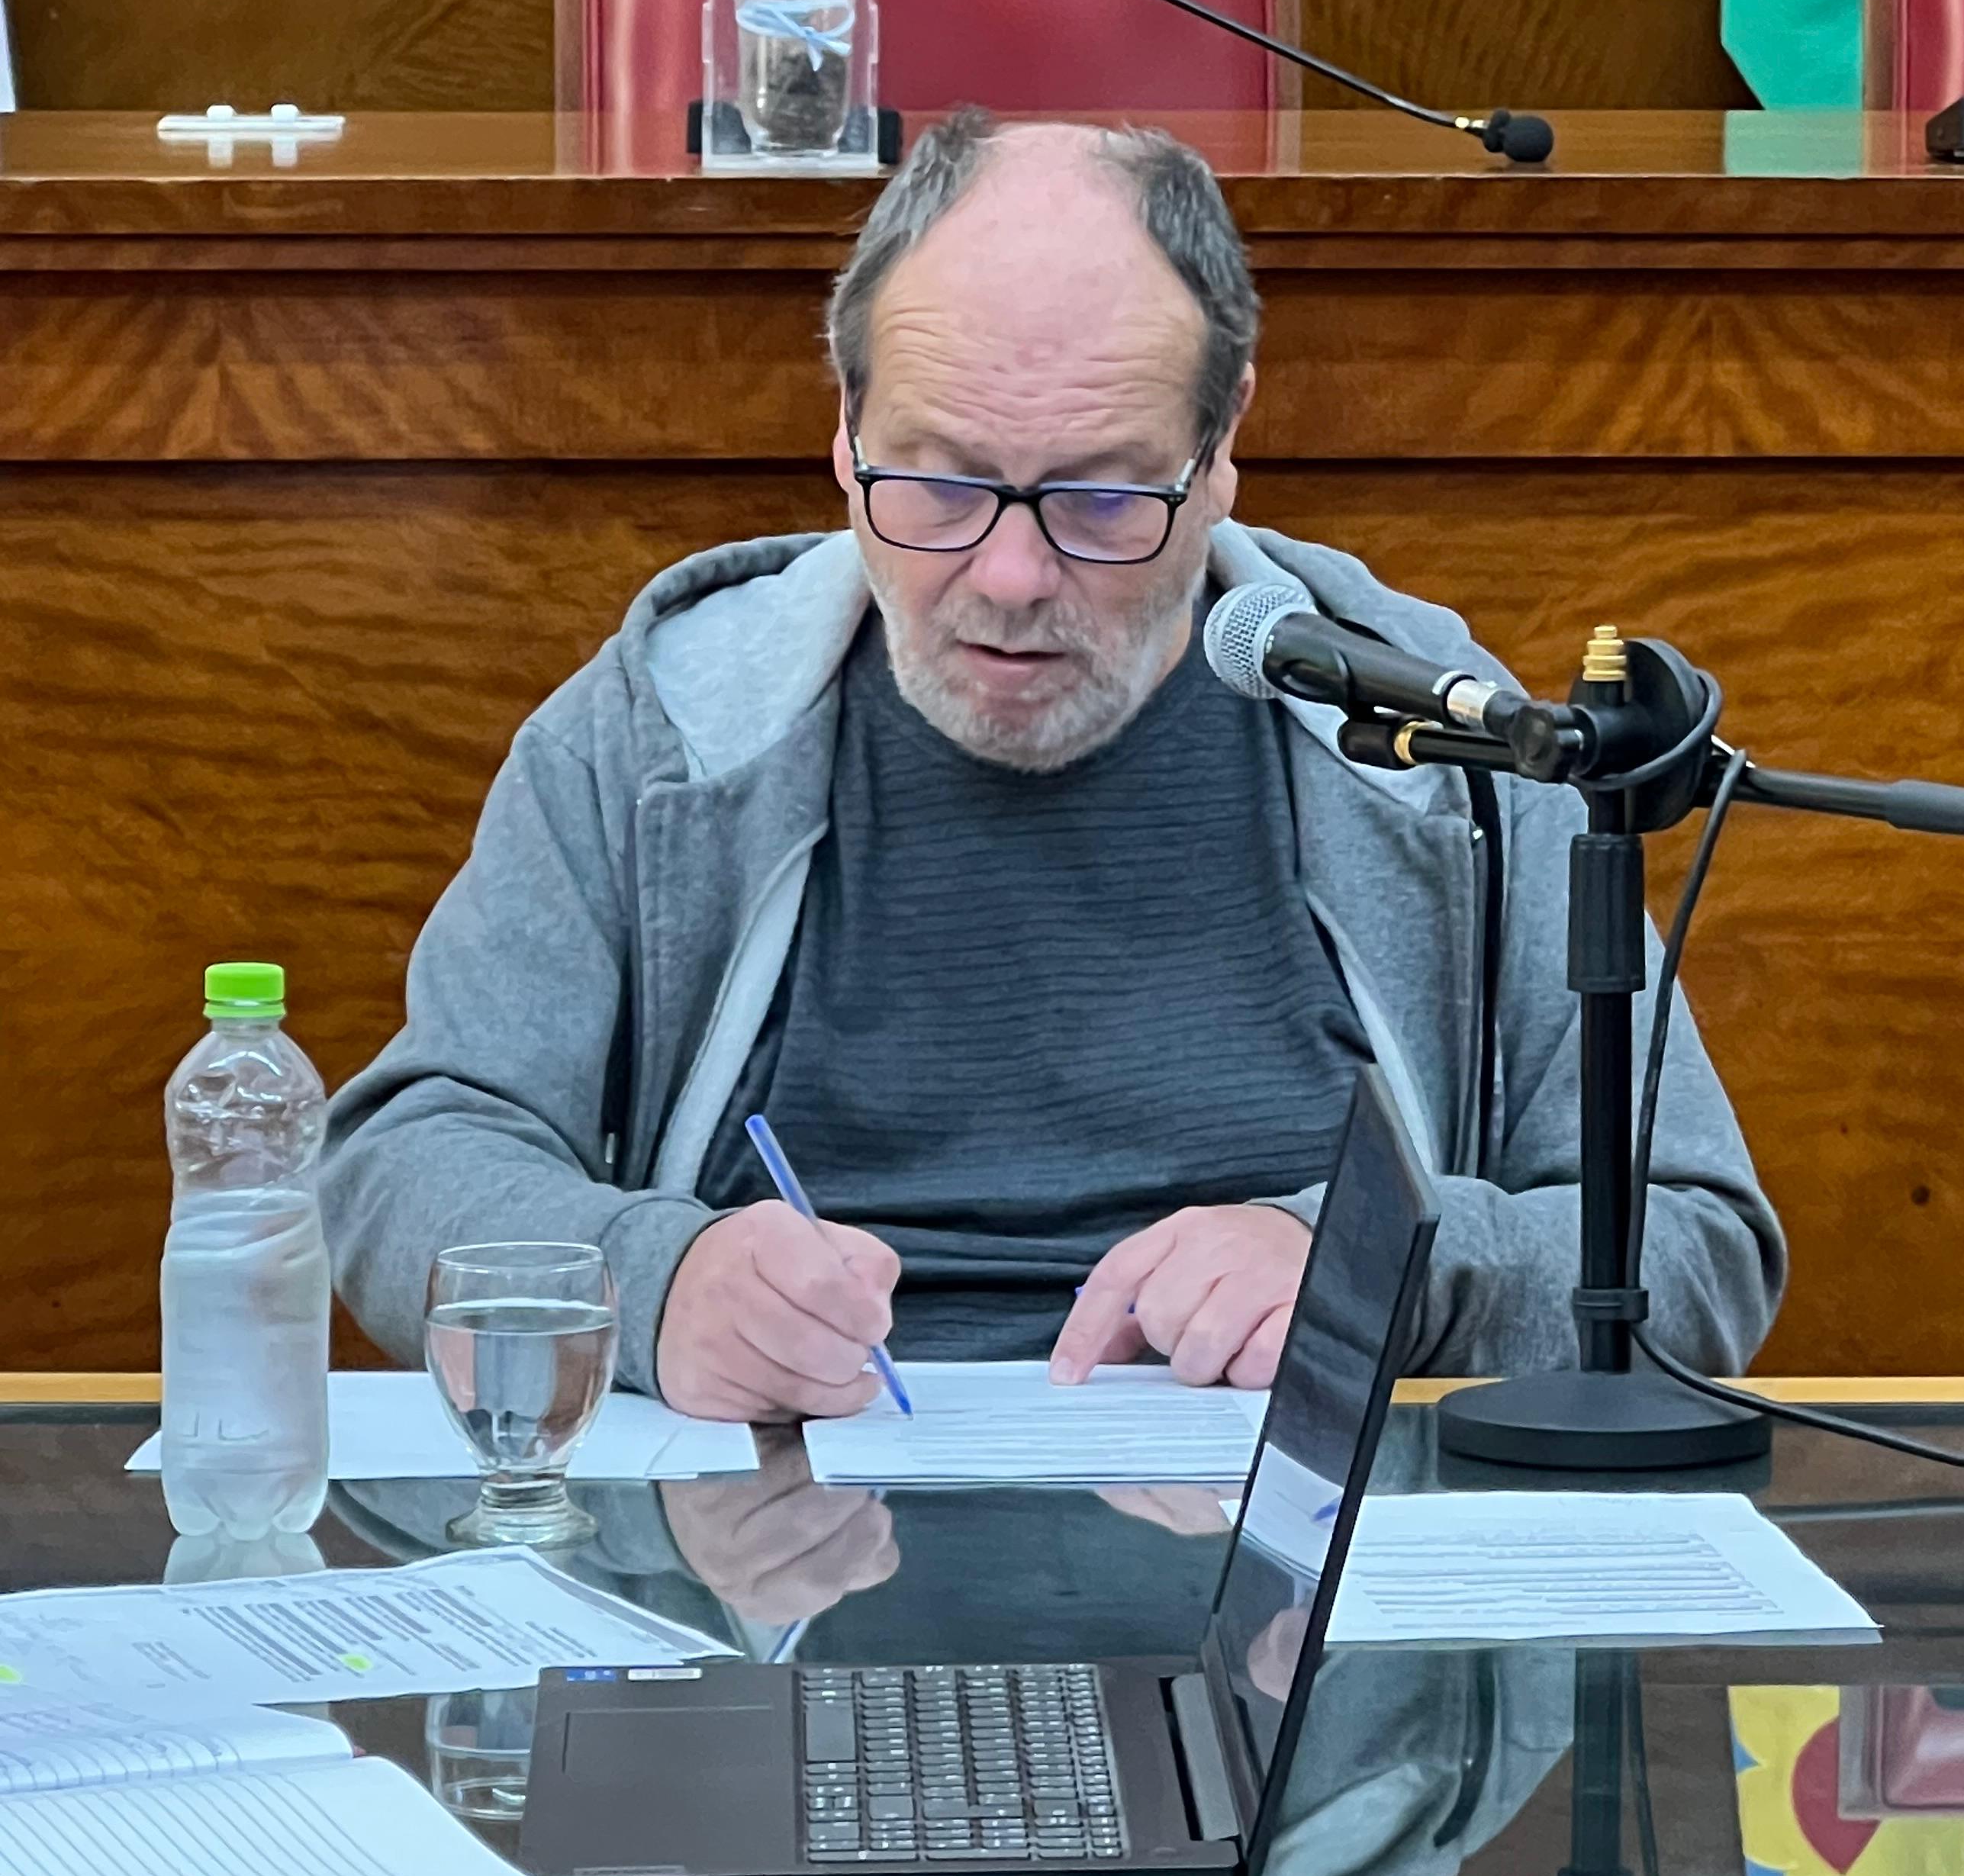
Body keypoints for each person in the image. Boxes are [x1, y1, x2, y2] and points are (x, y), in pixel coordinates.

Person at [322, 111, 1783, 1417]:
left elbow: (1697, 1243)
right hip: (779, 1537)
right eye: (939, 483)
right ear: (842, 433)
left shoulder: (1435, 746)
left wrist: (1383, 1266)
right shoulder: (663, 728)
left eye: (1099, 500)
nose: (1012, 578)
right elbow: (404, 1164)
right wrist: (659, 1283)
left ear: (1222, 448)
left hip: (1290, 1559)